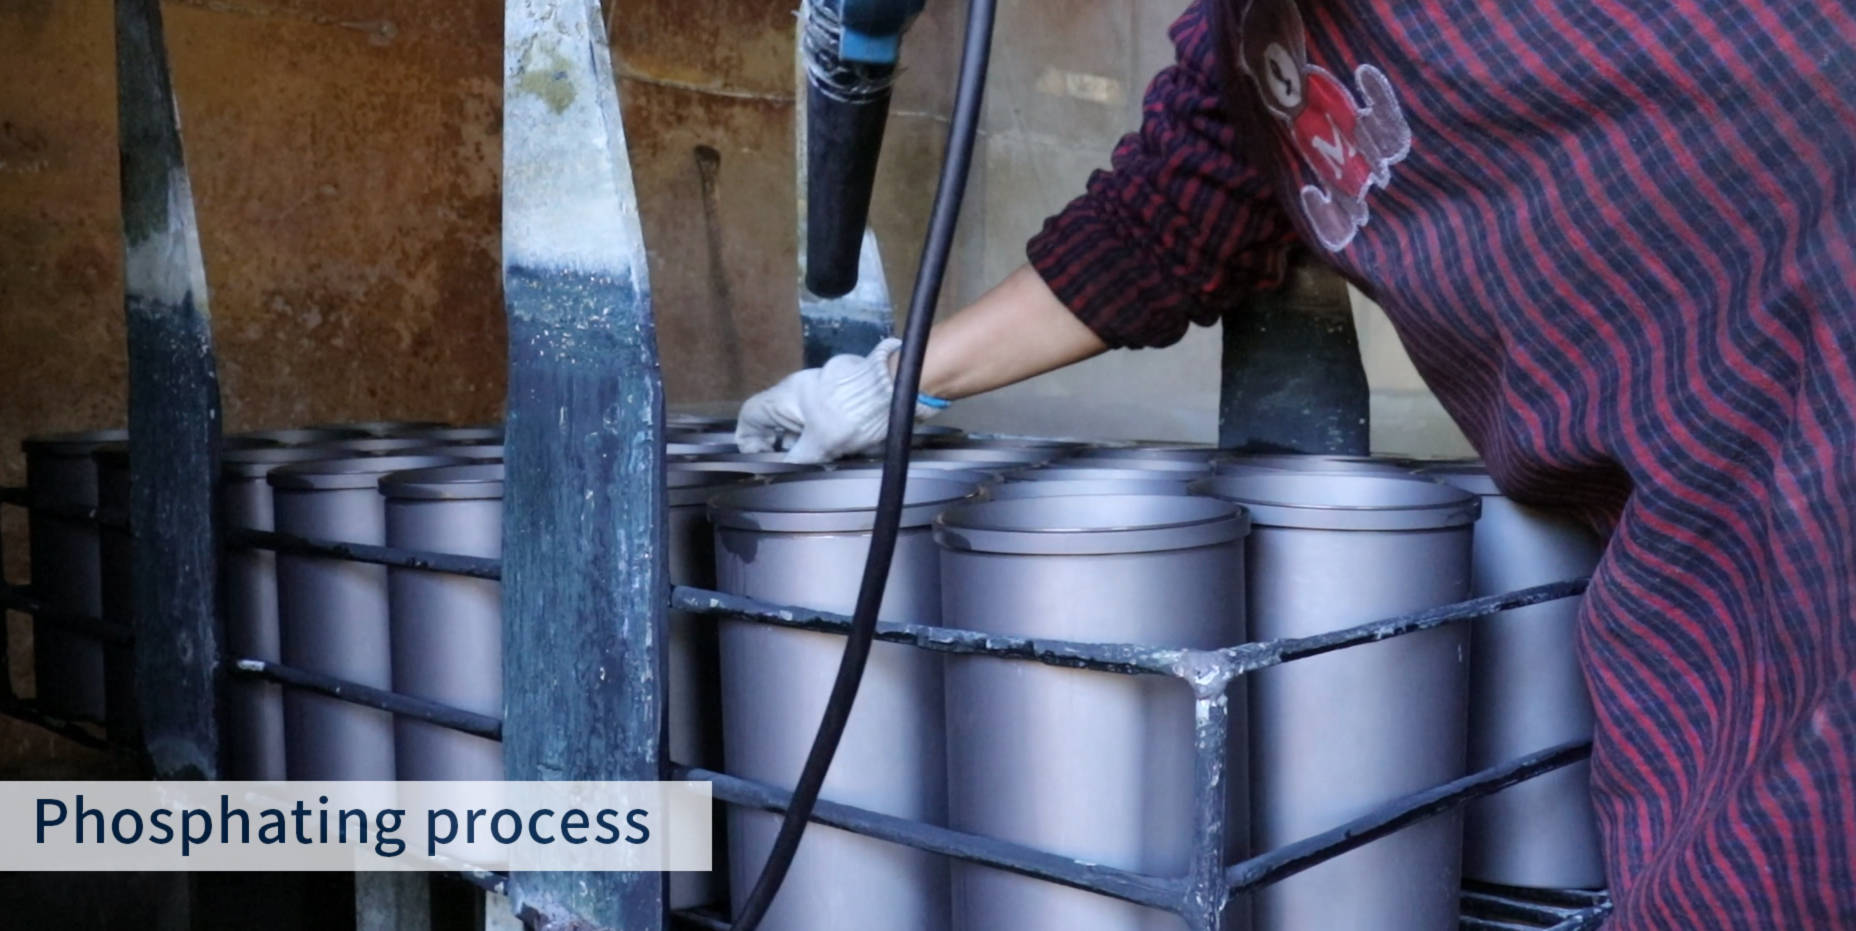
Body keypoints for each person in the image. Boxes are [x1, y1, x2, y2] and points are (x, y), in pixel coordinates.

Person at [736, 0, 1856, 927]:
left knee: (1776, 861)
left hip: (1815, 413)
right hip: (1670, 524)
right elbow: (1156, 227)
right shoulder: (1254, 46)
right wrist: (885, 384)